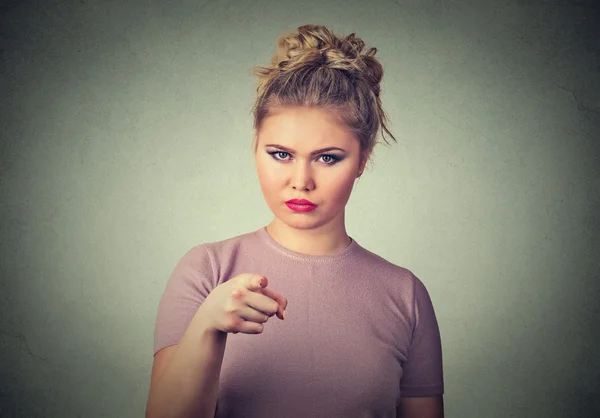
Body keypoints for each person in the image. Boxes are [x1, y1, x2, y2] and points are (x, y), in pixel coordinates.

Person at [145, 24, 444, 418]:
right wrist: (207, 326)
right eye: (281, 154)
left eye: (327, 157)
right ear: (256, 149)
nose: (300, 181)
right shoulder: (207, 270)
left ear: (362, 162)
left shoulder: (405, 295)